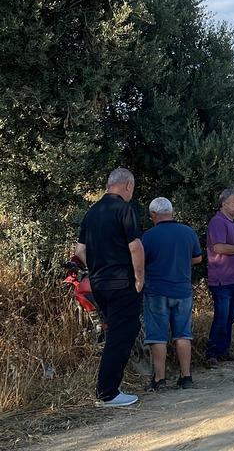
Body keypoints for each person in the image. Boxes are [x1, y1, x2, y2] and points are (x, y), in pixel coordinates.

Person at [74, 168, 144, 407]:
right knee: (122, 334)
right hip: (122, 282)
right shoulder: (125, 209)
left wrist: (96, 268)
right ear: (127, 186)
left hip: (98, 283)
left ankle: (109, 389)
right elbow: (135, 247)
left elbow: (79, 251)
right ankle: (108, 392)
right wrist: (139, 278)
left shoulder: (92, 212)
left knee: (115, 332)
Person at [141, 198, 202, 391]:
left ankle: (160, 380)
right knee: (183, 334)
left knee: (157, 336)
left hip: (156, 292)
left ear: (153, 215)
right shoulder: (188, 232)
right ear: (171, 212)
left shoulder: (148, 236)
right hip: (182, 290)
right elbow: (198, 258)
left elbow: (140, 262)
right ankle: (186, 377)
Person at [206, 188, 234, 367]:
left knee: (230, 317)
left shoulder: (232, 222)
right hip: (222, 280)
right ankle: (212, 354)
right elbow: (219, 248)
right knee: (222, 316)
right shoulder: (218, 222)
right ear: (224, 203)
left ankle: (224, 350)